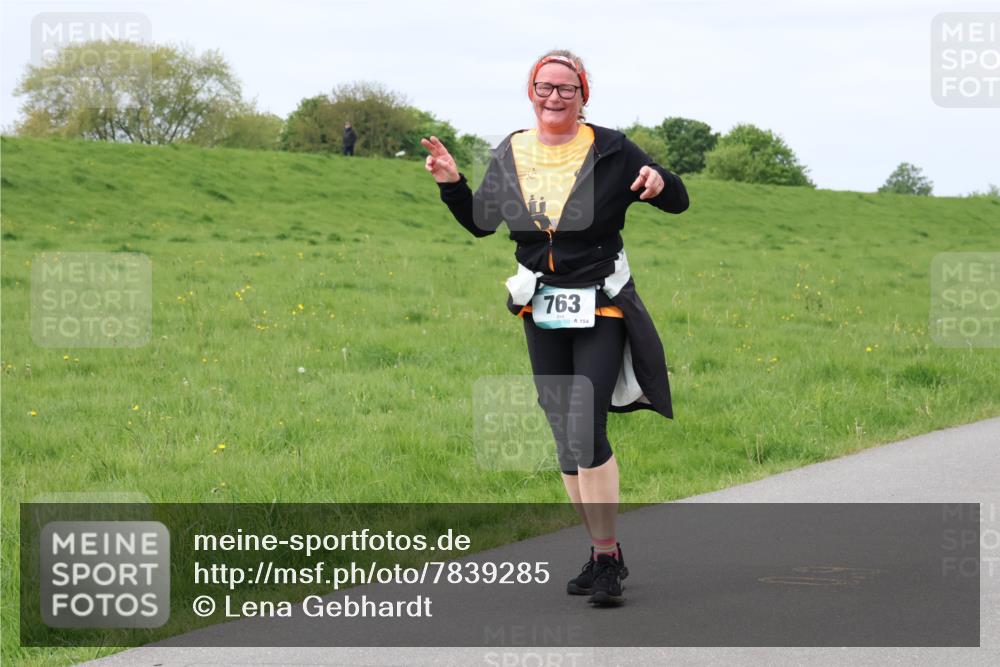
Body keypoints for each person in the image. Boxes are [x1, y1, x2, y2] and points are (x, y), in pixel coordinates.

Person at [421, 49, 689, 607]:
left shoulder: (611, 148)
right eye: (545, 87)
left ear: (583, 94)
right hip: (541, 303)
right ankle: (598, 551)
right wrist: (452, 183)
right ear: (531, 91)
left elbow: (677, 199)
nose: (554, 97)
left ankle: (609, 557)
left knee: (585, 421)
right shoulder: (512, 149)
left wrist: (659, 183)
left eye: (567, 88)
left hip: (600, 299)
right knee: (563, 431)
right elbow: (481, 223)